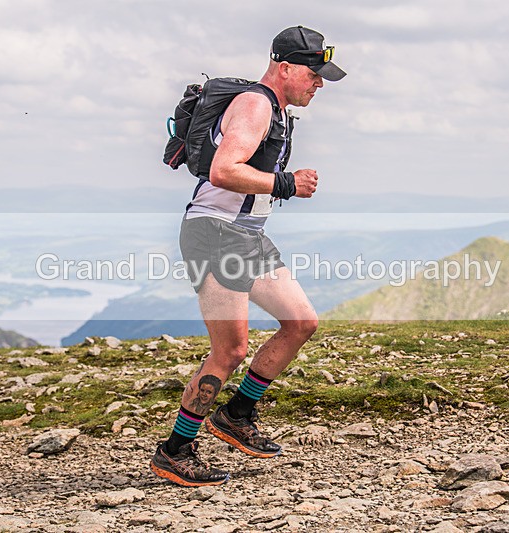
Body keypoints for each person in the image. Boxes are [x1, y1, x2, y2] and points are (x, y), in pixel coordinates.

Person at [150, 25, 346, 487]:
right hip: (215, 235)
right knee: (231, 350)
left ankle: (238, 414)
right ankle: (175, 451)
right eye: (314, 74)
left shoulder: (275, 110)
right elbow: (223, 170)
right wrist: (286, 184)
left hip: (246, 236)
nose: (319, 83)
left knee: (301, 322)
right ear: (285, 67)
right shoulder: (256, 105)